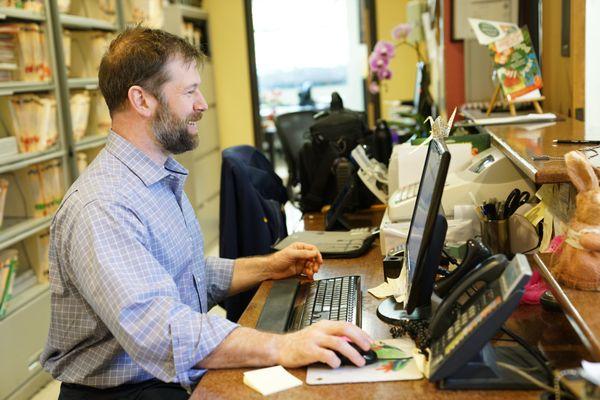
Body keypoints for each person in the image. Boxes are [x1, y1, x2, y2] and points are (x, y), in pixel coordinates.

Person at [40, 26, 372, 399]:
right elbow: (161, 331)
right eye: (189, 91)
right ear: (142, 100)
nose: (202, 104)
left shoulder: (156, 177)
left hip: (162, 376)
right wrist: (283, 346)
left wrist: (271, 265)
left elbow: (187, 275)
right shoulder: (102, 206)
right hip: (128, 391)